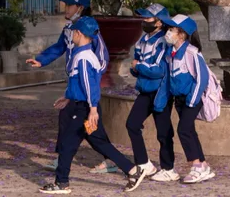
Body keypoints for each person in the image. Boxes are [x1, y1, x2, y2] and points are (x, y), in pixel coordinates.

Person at [39, 16, 149, 195]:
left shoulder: (82, 57)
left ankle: (61, 183)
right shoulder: (87, 54)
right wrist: (68, 97)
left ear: (79, 33)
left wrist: (92, 110)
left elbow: (89, 86)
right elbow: (79, 83)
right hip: (83, 106)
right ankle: (132, 170)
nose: (71, 35)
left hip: (83, 109)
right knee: (99, 143)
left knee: (67, 144)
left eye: (73, 32)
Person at [26, 0, 111, 173]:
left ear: (80, 8)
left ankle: (109, 159)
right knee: (69, 118)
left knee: (89, 124)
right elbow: (59, 47)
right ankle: (64, 158)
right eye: (65, 4)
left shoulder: (89, 29)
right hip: (75, 85)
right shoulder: (68, 29)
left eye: (69, 5)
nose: (65, 8)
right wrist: (41, 60)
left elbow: (103, 57)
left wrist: (93, 77)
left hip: (87, 84)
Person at [153, 14, 215, 185]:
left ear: (182, 34)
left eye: (172, 29)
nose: (168, 32)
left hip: (191, 99)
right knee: (190, 131)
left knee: (183, 130)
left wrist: (192, 100)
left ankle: (196, 166)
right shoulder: (170, 52)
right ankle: (203, 165)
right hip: (179, 100)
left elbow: (201, 78)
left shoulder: (191, 52)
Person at [124, 3, 178, 182]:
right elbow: (136, 63)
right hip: (145, 91)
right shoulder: (142, 40)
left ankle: (169, 169)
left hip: (161, 92)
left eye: (148, 17)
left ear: (159, 22)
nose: (144, 21)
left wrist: (138, 66)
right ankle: (144, 164)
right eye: (143, 17)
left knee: (164, 132)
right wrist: (135, 68)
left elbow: (160, 70)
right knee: (132, 124)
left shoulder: (164, 41)